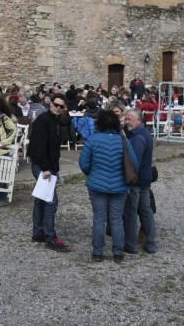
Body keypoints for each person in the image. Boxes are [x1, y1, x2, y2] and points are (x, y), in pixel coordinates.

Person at [79, 109, 137, 262]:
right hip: (119, 186)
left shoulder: (93, 140)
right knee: (117, 219)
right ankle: (118, 253)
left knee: (99, 219)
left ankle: (97, 252)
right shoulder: (123, 141)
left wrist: (93, 173)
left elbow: (83, 163)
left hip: (97, 185)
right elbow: (134, 163)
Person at [27, 93, 71, 251]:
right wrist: (45, 168)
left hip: (48, 165)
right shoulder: (43, 120)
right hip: (42, 166)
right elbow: (38, 146)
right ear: (50, 103)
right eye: (56, 105)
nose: (58, 108)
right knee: (51, 201)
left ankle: (38, 232)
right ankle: (50, 237)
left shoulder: (55, 120)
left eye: (61, 106)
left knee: (41, 198)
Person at [122, 109, 158, 255]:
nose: (126, 121)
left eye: (129, 118)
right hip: (144, 179)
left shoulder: (138, 137)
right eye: (126, 118)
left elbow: (133, 161)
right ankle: (150, 243)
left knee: (132, 212)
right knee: (146, 211)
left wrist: (128, 178)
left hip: (136, 181)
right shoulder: (143, 134)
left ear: (138, 120)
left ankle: (131, 244)